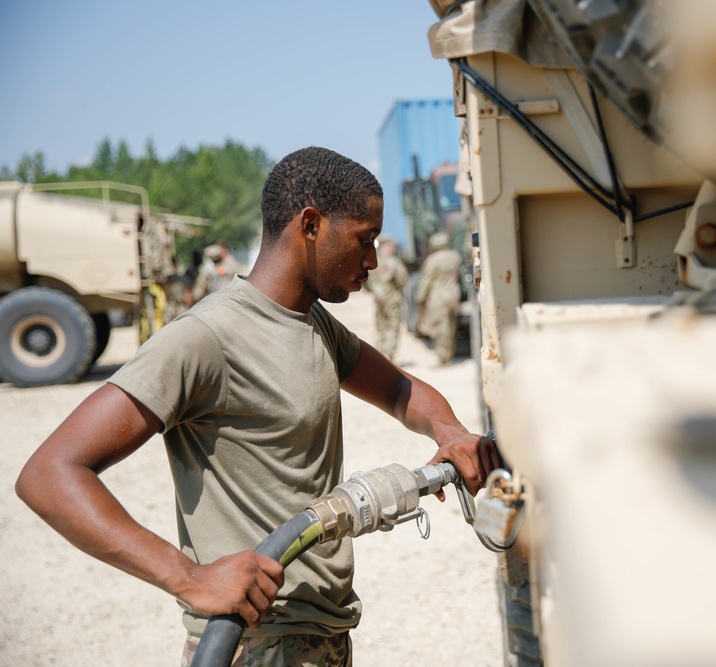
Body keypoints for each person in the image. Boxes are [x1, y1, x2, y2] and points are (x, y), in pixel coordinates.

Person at [15, 147, 499, 667]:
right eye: (364, 239)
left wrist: (449, 432)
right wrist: (188, 576)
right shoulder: (206, 339)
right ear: (310, 225)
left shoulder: (312, 323)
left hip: (321, 632)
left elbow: (403, 390)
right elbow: (49, 473)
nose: (374, 259)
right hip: (257, 642)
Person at [416, 231, 463, 366]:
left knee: (439, 328)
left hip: (438, 298)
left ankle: (443, 358)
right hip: (454, 295)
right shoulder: (455, 256)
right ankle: (449, 353)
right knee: (450, 326)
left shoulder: (432, 260)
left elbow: (426, 282)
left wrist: (420, 299)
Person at [363, 235, 408, 361]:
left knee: (380, 326)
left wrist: (373, 291)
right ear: (387, 247)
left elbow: (364, 281)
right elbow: (402, 280)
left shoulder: (374, 262)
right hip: (393, 299)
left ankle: (381, 354)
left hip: (378, 299)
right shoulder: (394, 262)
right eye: (392, 246)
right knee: (393, 326)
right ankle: (390, 354)